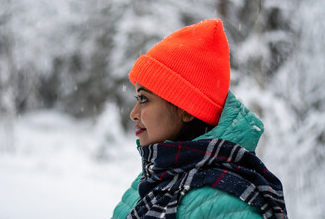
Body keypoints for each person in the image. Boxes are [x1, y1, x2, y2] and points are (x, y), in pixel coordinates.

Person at [112, 19, 287, 219]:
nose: (133, 113)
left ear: (187, 110)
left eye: (144, 99)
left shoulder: (226, 202)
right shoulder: (155, 180)